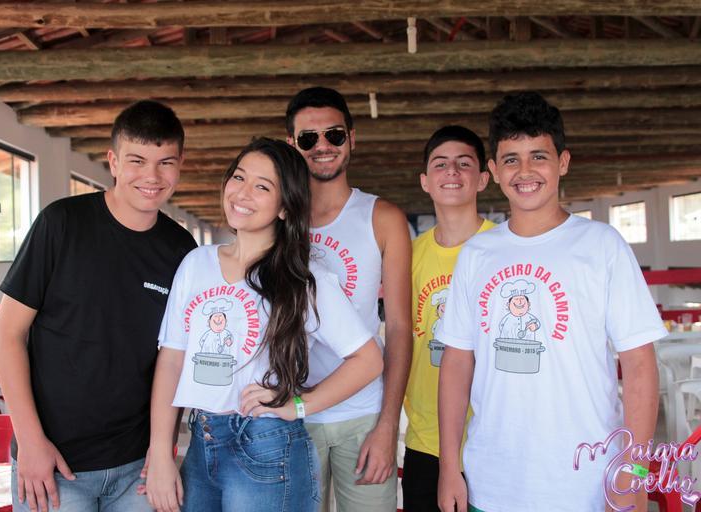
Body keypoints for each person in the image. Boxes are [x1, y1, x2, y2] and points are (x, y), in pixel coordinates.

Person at [437, 92, 665, 512]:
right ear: (494, 170)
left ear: (563, 162)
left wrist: (632, 469)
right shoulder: (477, 254)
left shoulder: (602, 246)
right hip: (492, 481)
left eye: (538, 156)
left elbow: (639, 364)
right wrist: (449, 465)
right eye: (511, 159)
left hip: (586, 483)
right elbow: (456, 363)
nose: (525, 171)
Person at [146, 138, 384, 512]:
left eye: (262, 187)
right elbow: (172, 360)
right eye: (239, 177)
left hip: (266, 447)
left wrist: (300, 405)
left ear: (285, 207)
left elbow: (368, 360)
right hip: (201, 441)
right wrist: (161, 451)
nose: (242, 193)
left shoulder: (303, 280)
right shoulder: (196, 263)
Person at [0, 100, 197, 512]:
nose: (152, 177)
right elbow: (7, 335)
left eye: (165, 163)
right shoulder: (61, 223)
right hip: (55, 462)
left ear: (180, 165)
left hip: (137, 466)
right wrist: (30, 441)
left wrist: (163, 449)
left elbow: (173, 358)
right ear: (113, 161)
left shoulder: (181, 250)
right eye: (137, 160)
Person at [285, 87, 412, 512]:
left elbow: (398, 328)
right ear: (292, 144)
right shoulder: (277, 219)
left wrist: (388, 425)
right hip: (292, 416)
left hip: (363, 415)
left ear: (352, 139)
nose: (322, 145)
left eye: (334, 135)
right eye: (309, 138)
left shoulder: (383, 218)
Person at [403, 126, 494, 511]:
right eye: (440, 164)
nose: (452, 171)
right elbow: (401, 340)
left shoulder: (503, 249)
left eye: (464, 163)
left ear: (483, 178)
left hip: (492, 437)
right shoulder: (408, 256)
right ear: (425, 181)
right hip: (426, 439)